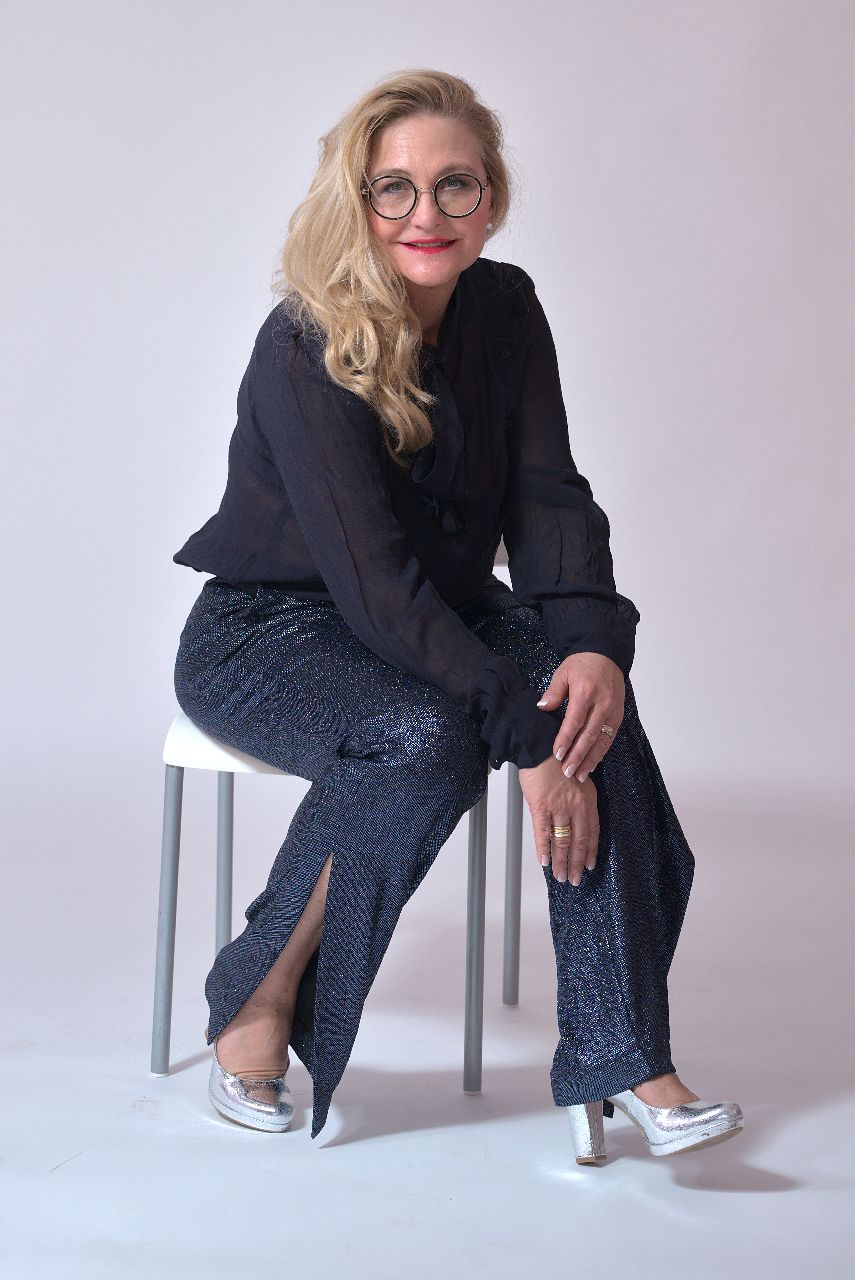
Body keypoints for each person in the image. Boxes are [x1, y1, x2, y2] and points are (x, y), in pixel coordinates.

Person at [171, 68, 743, 1162]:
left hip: (441, 613)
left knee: (586, 704)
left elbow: (548, 497)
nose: (424, 213)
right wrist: (518, 737)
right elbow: (376, 586)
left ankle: (624, 1054)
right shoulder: (302, 342)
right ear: (355, 201)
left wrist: (591, 645)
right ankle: (258, 994)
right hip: (272, 633)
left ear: (492, 199)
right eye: (392, 187)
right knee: (429, 736)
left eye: (454, 185)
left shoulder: (506, 308)